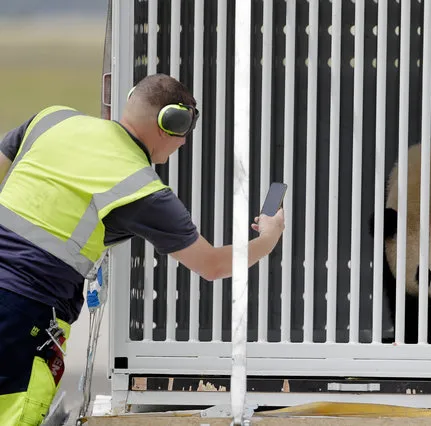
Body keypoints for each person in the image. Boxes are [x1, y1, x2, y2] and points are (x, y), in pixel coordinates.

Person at [0, 73, 285, 425]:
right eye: (184, 132)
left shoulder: (53, 119)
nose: (182, 144)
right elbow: (211, 265)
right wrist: (267, 240)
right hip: (21, 312)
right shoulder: (138, 187)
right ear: (170, 123)